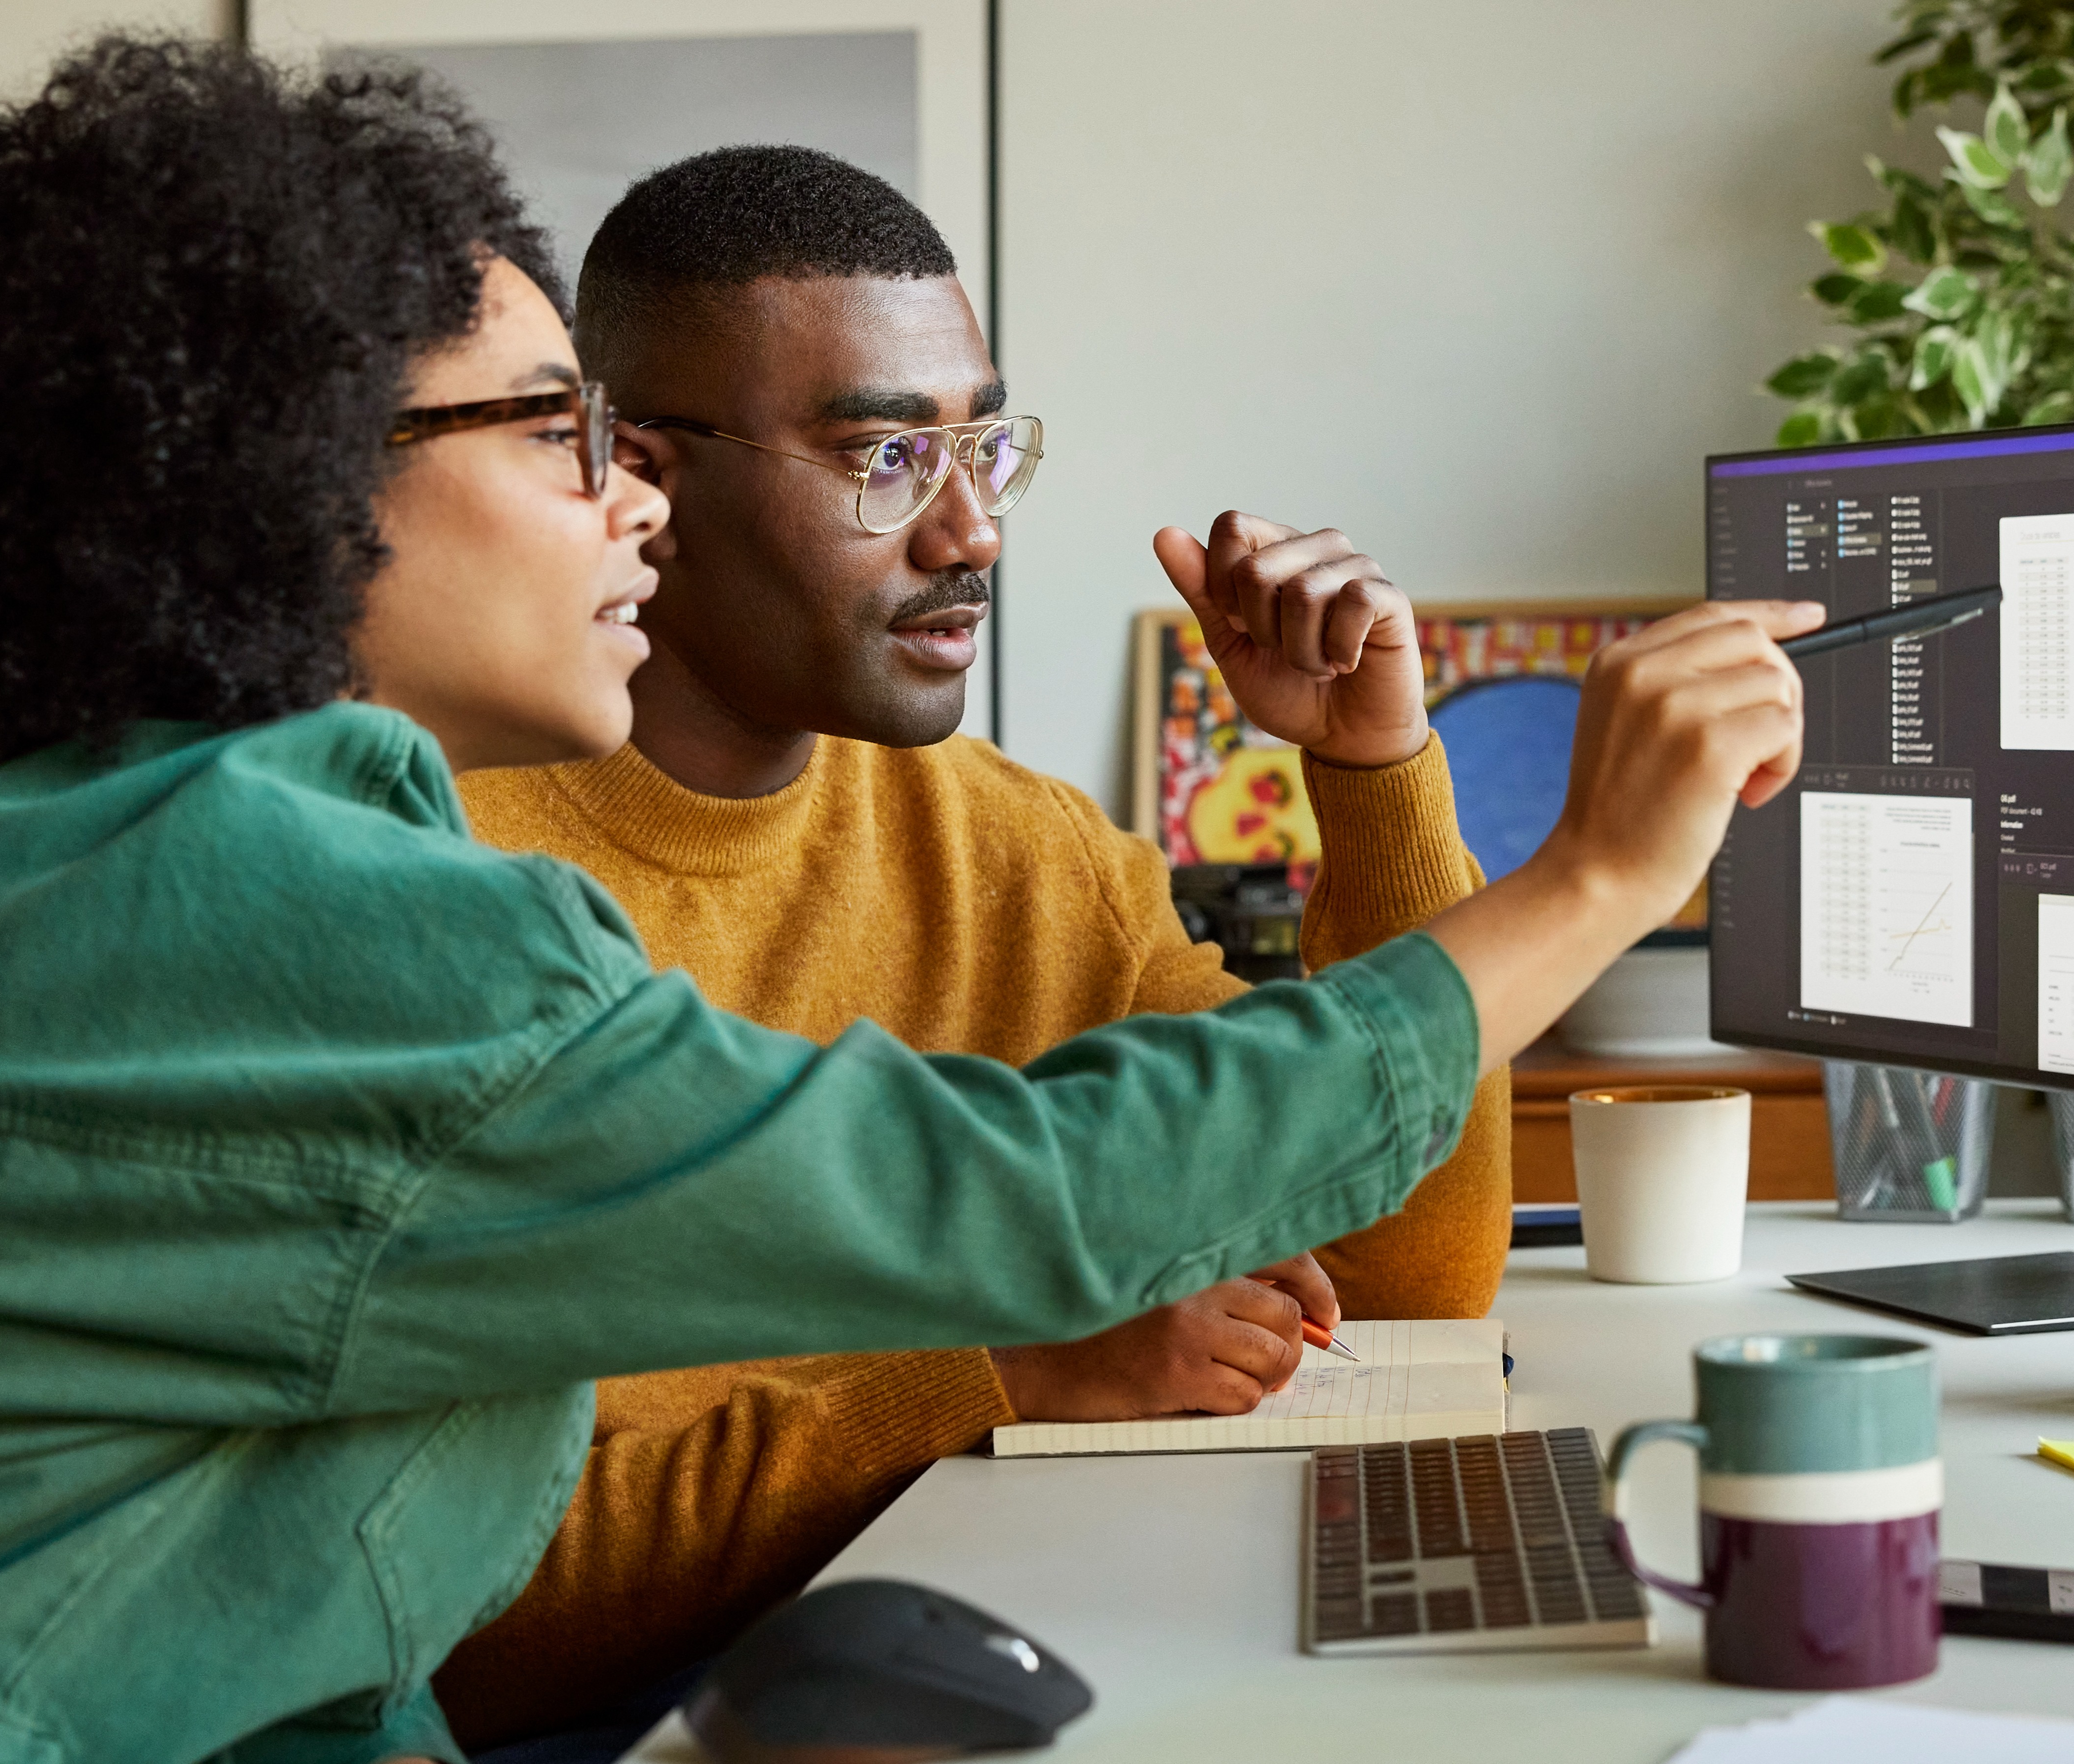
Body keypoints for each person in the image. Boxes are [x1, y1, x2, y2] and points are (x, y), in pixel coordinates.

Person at [0, 38, 1816, 1762]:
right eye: (557, 435)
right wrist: (1604, 870)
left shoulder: (130, 856)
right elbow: (1032, 1195)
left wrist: (1385, 789)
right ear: (279, 485)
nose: (622, 509)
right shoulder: (231, 901)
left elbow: (294, 1628)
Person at [430, 147, 1522, 1740]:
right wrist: (1005, 1375)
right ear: (644, 483)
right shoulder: (432, 878)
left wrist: (1372, 779)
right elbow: (454, 1610)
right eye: (883, 457)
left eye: (984, 450)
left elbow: (1404, 1274)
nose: (973, 536)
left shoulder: (1012, 846)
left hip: (945, 1634)